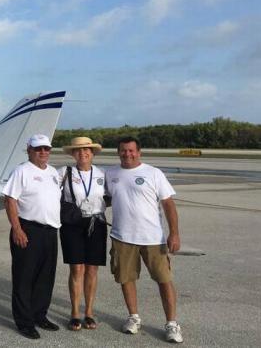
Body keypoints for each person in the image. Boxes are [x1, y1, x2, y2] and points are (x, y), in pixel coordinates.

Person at [107, 136, 184, 343]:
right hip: (122, 237)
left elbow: (168, 204)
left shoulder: (153, 173)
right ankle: (133, 317)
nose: (127, 154)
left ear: (139, 152)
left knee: (164, 280)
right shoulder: (111, 173)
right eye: (123, 150)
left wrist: (174, 233)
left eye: (131, 150)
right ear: (118, 152)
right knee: (126, 278)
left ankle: (172, 324)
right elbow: (105, 198)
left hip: (153, 238)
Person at [2, 134, 61, 340]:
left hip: (51, 231)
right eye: (38, 149)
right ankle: (24, 322)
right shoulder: (22, 171)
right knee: (24, 279)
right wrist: (17, 229)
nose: (43, 152)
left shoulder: (53, 173)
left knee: (45, 278)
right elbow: (10, 200)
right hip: (28, 230)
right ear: (29, 150)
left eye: (46, 149)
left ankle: (39, 315)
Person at [58, 137, 108, 331]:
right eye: (78, 150)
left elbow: (111, 196)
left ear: (92, 152)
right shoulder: (64, 172)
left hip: (97, 222)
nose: (83, 153)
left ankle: (89, 312)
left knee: (92, 269)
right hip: (73, 223)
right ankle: (74, 313)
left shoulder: (102, 174)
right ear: (72, 154)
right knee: (76, 268)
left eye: (86, 150)